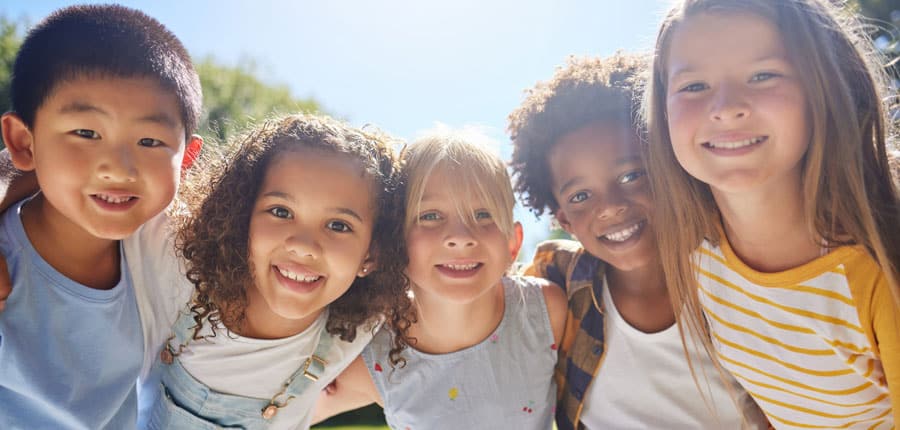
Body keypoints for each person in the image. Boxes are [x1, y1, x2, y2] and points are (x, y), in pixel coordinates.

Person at [644, 0, 900, 427]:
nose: (726, 107)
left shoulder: (878, 269)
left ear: (821, 87)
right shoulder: (699, 256)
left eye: (763, 75)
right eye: (693, 86)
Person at [508, 52, 767, 429]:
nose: (611, 207)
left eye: (631, 176)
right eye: (581, 196)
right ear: (565, 220)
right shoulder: (558, 280)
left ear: (667, 168)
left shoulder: (734, 270)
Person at [0, 5, 202, 428]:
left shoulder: (169, 262)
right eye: (86, 133)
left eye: (150, 140)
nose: (119, 167)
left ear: (187, 160)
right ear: (24, 142)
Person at [140, 114, 412, 429]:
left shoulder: (362, 327)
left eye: (339, 225)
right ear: (242, 217)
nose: (303, 246)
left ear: (372, 254)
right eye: (281, 212)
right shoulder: (178, 265)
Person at [314, 127, 567, 429]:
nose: (460, 238)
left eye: (483, 214)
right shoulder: (370, 357)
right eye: (430, 216)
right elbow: (282, 415)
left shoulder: (545, 312)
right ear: (393, 243)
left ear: (512, 243)